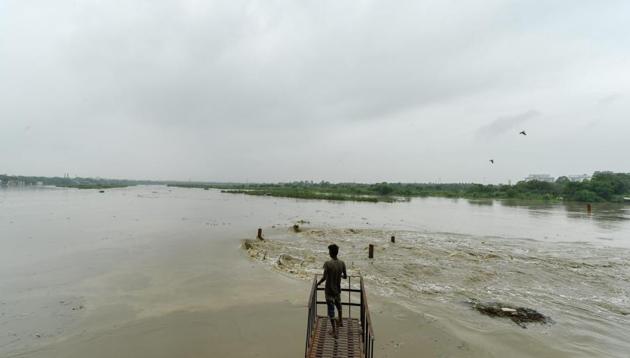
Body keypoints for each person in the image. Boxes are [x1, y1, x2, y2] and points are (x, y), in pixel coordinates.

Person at [316, 244, 347, 339]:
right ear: (337, 253)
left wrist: (318, 284)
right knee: (339, 304)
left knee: (331, 311)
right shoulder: (342, 263)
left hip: (329, 290)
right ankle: (341, 321)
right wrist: (339, 276)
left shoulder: (327, 264)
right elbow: (345, 276)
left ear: (330, 253)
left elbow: (324, 277)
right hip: (337, 289)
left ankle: (334, 331)